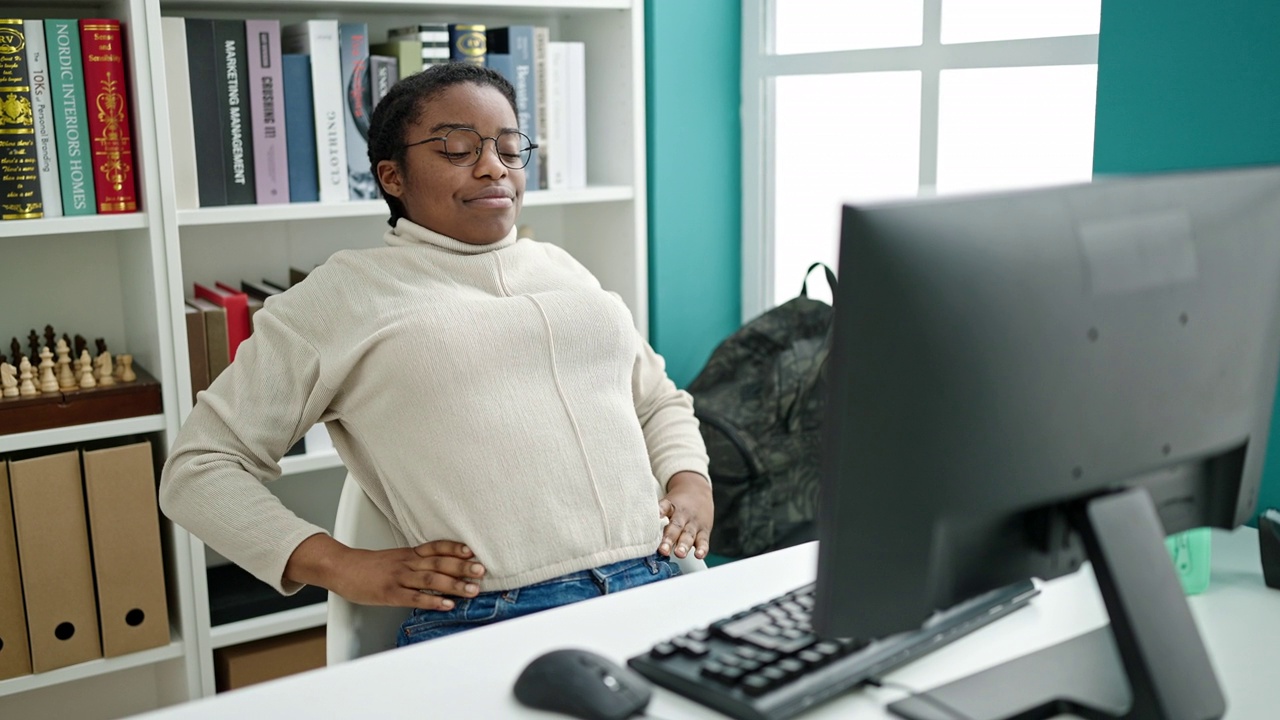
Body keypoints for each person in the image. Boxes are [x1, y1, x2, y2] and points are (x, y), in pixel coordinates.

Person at [159, 63, 713, 646]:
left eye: (508, 146)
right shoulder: (343, 295)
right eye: (457, 147)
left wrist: (691, 483)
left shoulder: (563, 269)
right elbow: (197, 469)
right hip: (496, 616)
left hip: (661, 580)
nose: (493, 166)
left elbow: (657, 400)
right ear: (392, 176)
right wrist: (340, 566)